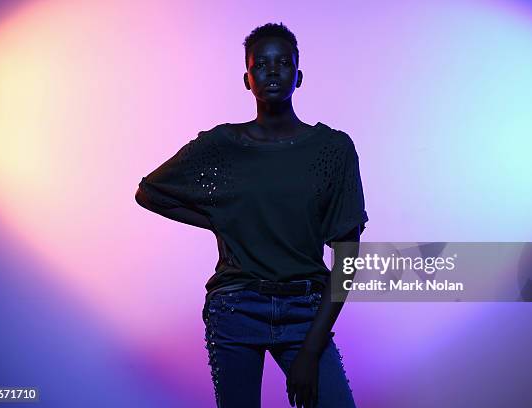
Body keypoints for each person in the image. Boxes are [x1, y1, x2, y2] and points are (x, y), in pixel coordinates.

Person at [135, 22, 368, 408]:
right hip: (235, 307)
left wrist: (311, 352)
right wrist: (220, 218)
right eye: (261, 64)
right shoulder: (223, 146)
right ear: (247, 79)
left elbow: (347, 260)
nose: (272, 71)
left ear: (299, 75)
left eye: (283, 63)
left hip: (305, 310)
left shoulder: (333, 150)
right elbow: (150, 192)